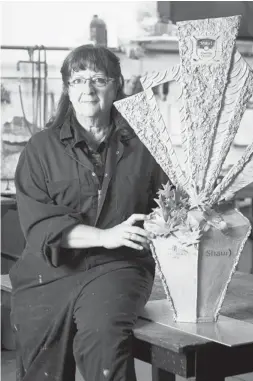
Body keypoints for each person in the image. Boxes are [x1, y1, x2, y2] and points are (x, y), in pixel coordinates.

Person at [10, 44, 167, 381]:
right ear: (67, 88)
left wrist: (170, 222)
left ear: (117, 84)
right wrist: (104, 235)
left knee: (104, 342)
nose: (88, 89)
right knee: (42, 368)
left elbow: (165, 204)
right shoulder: (41, 148)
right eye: (78, 80)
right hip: (49, 270)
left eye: (98, 79)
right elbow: (40, 225)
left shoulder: (145, 146)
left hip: (119, 266)